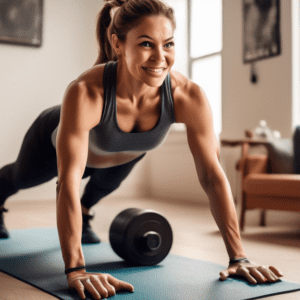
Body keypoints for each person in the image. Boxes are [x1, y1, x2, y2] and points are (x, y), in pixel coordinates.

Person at [0, 0, 284, 299]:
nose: (160, 57)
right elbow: (67, 182)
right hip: (51, 141)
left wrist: (238, 257)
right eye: (147, 44)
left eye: (169, 44)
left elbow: (213, 176)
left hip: (123, 154)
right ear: (118, 44)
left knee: (107, 183)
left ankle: (85, 213)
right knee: (22, 177)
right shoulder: (86, 92)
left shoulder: (188, 96)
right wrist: (76, 270)